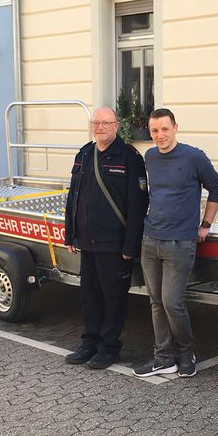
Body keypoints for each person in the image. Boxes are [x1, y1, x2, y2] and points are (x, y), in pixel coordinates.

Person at [133, 108, 218, 378]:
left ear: (175, 128)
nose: (160, 135)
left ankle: (186, 353)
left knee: (172, 302)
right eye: (154, 130)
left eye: (164, 129)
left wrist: (206, 224)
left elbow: (216, 187)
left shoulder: (193, 156)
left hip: (180, 242)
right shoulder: (150, 157)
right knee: (156, 302)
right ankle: (163, 358)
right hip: (151, 240)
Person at [64, 106, 149, 369]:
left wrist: (131, 245)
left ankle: (109, 347)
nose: (100, 127)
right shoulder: (84, 154)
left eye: (105, 123)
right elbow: (73, 197)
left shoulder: (130, 158)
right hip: (86, 241)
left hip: (114, 245)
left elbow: (138, 205)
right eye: (96, 122)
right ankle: (89, 342)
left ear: (116, 126)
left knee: (113, 298)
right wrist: (70, 234)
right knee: (89, 296)